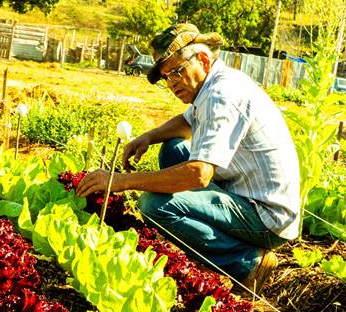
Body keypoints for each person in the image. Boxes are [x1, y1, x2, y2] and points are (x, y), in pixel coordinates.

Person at [76, 23, 300, 293]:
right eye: (166, 77)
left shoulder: (221, 96)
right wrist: (147, 137)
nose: (171, 84)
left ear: (203, 59)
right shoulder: (214, 84)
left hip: (267, 216)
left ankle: (247, 262)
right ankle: (221, 243)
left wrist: (121, 181)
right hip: (245, 194)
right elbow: (186, 123)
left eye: (176, 72)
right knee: (172, 149)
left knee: (155, 206)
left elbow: (199, 174)